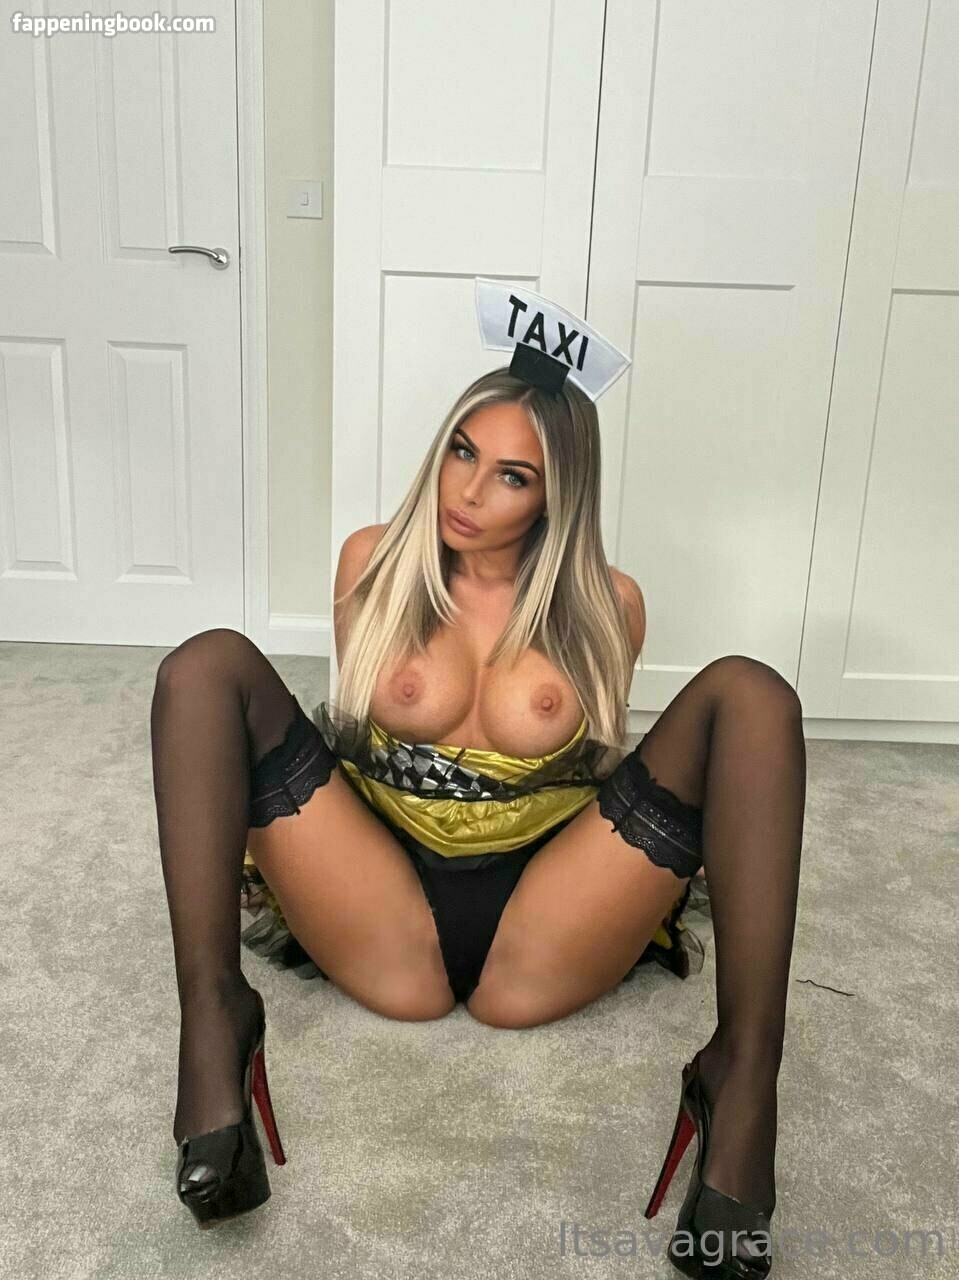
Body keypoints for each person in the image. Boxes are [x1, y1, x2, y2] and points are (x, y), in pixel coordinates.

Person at [151, 281, 805, 1277]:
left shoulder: (609, 603)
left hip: (543, 912)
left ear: (554, 496)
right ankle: (214, 1021)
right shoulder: (370, 564)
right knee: (203, 665)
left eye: (510, 476)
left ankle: (741, 1076)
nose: (467, 492)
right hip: (380, 894)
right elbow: (348, 746)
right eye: (461, 451)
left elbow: (605, 772)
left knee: (752, 692)